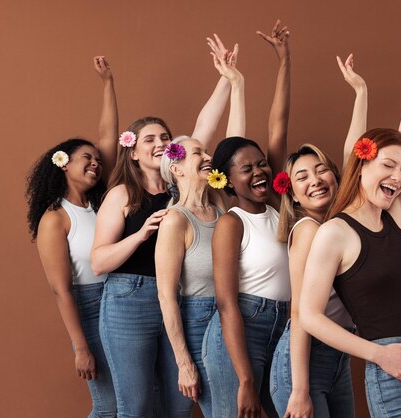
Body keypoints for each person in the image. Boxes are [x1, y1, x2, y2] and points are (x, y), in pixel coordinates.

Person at [300, 30, 401, 418]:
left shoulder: (396, 217)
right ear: (362, 163)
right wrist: (378, 355)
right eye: (388, 166)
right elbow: (309, 315)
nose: (399, 177)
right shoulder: (334, 233)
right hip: (395, 370)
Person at [90, 37, 238, 418]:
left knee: (177, 404)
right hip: (130, 298)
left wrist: (226, 76)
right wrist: (140, 235)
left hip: (177, 301)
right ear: (134, 151)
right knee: (136, 405)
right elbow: (98, 262)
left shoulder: (181, 194)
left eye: (166, 139)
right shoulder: (123, 194)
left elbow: (204, 129)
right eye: (149, 139)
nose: (160, 143)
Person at [270, 52, 367, 418]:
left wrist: (360, 93)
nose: (315, 181)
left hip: (336, 355)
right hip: (304, 362)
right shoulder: (309, 230)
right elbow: (299, 311)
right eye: (302, 177)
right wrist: (299, 389)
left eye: (322, 170)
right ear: (292, 194)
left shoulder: (339, 224)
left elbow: (354, 153)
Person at [203, 20, 290, 418]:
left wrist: (284, 60)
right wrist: (245, 380)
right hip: (241, 337)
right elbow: (225, 303)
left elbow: (278, 125)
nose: (258, 172)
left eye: (261, 165)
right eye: (246, 169)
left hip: (284, 328)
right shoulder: (232, 223)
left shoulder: (279, 207)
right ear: (227, 180)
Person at [155, 39, 245, 418]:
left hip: (237, 315)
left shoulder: (223, 205)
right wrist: (183, 362)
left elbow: (237, 143)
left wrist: (235, 83)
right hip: (199, 319)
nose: (209, 157)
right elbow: (166, 296)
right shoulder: (176, 221)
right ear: (175, 168)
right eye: (199, 154)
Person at [26, 56, 118, 417]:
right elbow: (60, 288)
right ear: (64, 163)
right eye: (86, 158)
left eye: (97, 159)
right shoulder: (56, 219)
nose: (95, 163)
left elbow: (109, 138)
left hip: (121, 301)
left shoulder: (102, 205)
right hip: (90, 306)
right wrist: (81, 347)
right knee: (108, 405)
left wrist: (108, 84)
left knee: (136, 397)